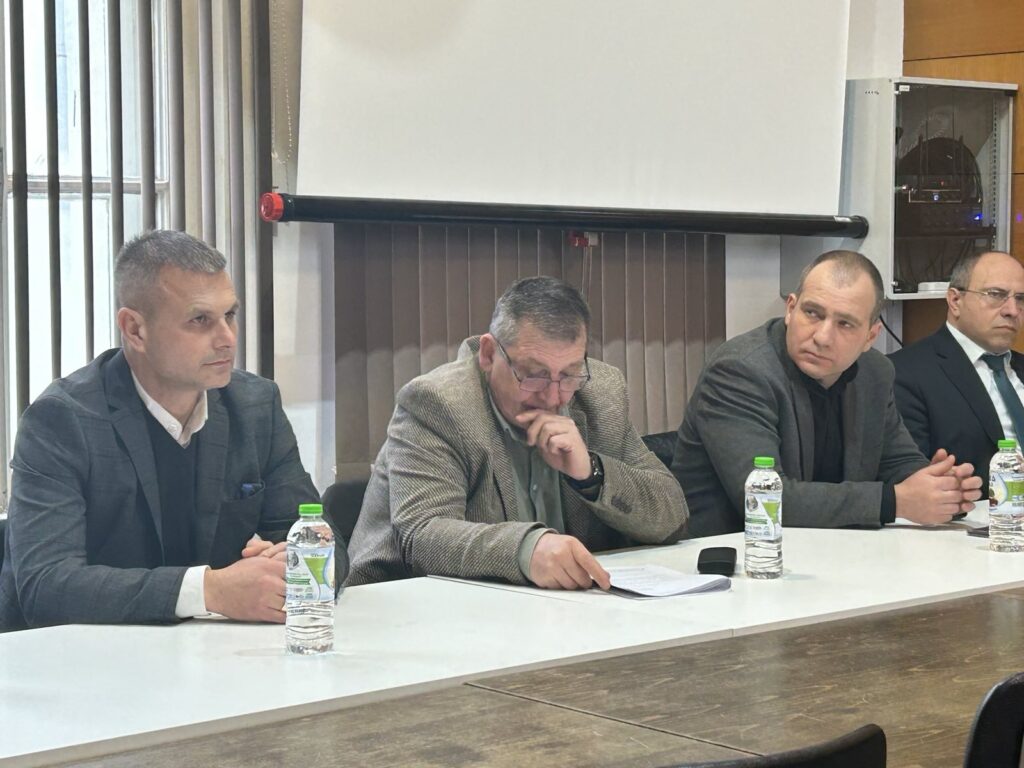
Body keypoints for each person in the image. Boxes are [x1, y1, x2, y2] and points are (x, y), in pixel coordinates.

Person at [0, 230, 345, 631]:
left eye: (230, 315)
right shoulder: (62, 420)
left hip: (218, 653)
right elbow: (46, 587)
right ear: (135, 330)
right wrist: (210, 590)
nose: (227, 339)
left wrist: (289, 563)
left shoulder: (255, 406)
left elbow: (324, 541)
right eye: (200, 320)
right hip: (81, 659)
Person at [346, 276, 687, 589]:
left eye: (569, 374)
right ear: (489, 354)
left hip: (558, 613)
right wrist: (526, 550)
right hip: (412, 608)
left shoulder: (601, 393)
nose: (554, 397)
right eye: (534, 375)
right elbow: (423, 537)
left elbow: (673, 515)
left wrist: (592, 475)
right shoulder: (437, 403)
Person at [671, 250, 982, 538]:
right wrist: (895, 502)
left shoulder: (875, 373)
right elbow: (764, 499)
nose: (822, 337)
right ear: (790, 309)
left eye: (845, 323)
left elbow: (897, 460)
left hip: (831, 549)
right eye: (813, 313)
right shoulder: (740, 371)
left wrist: (940, 487)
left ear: (870, 336)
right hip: (732, 555)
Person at [890, 251, 1024, 492]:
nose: (1012, 310)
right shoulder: (904, 373)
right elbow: (908, 477)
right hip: (977, 510)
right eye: (996, 295)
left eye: (1021, 299)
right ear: (955, 301)